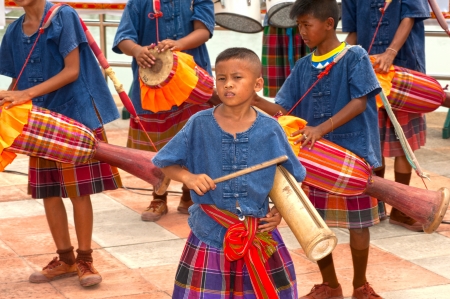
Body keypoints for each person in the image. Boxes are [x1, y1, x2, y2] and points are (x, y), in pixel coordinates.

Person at [252, 0, 384, 298]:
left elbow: (360, 101)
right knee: (316, 223)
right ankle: (331, 285)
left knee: (358, 225)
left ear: (328, 23)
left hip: (354, 156)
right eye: (298, 25)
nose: (301, 31)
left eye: (306, 24)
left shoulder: (355, 56)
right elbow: (283, 107)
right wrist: (254, 99)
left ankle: (360, 285)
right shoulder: (302, 66)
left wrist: (320, 129)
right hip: (315, 160)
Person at [152, 47, 306, 298]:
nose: (228, 85)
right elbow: (165, 162)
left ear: (258, 84)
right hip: (209, 232)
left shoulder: (271, 129)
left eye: (237, 78)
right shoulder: (199, 123)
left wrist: (280, 213)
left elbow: (295, 180)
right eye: (221, 78)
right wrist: (188, 178)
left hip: (259, 234)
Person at [0, 0, 122, 287]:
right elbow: (17, 81)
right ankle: (65, 258)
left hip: (74, 116)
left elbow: (72, 71)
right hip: (39, 121)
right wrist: (9, 99)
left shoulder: (63, 15)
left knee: (79, 192)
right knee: (49, 191)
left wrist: (24, 93)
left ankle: (85, 260)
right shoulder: (14, 30)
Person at [112, 0, 216, 222]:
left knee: (194, 138)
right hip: (152, 86)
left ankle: (190, 194)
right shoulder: (138, 2)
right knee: (157, 145)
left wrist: (178, 44)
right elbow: (123, 38)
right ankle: (158, 197)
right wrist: (138, 50)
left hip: (191, 80)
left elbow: (204, 31)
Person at [342, 0, 429, 231]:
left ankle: (402, 210)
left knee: (403, 143)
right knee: (373, 143)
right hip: (369, 73)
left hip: (404, 71)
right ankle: (376, 205)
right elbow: (353, 33)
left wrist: (391, 52)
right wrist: (338, 58)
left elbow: (410, 17)